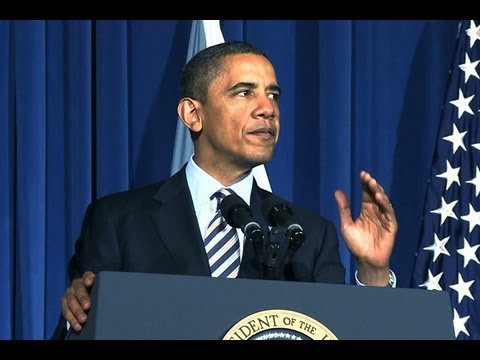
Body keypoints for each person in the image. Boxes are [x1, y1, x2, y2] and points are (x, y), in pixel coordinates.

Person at [51, 41, 397, 340]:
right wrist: (79, 316)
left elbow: (334, 329)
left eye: (273, 94)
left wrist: (373, 272)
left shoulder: (309, 233)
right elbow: (89, 323)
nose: (267, 109)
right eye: (245, 92)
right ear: (192, 114)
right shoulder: (118, 220)